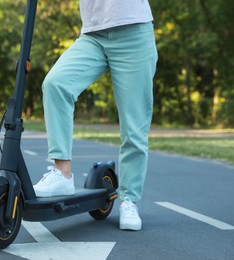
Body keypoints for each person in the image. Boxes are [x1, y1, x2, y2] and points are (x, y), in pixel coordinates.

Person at [33, 0, 158, 231]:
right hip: (93, 35)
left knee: (134, 126)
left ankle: (129, 200)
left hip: (134, 30)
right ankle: (62, 172)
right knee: (56, 84)